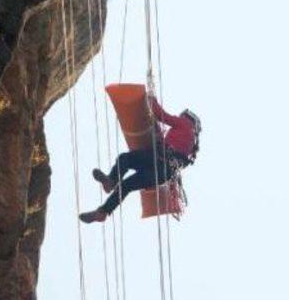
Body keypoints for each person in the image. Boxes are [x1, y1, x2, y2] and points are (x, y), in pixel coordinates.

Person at [79, 95, 201, 223]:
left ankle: (111, 180)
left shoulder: (186, 125)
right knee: (126, 186)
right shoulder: (191, 147)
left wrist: (151, 100)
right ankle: (103, 212)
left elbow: (161, 115)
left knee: (125, 159)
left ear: (188, 118)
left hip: (157, 158)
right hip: (163, 173)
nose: (179, 117)